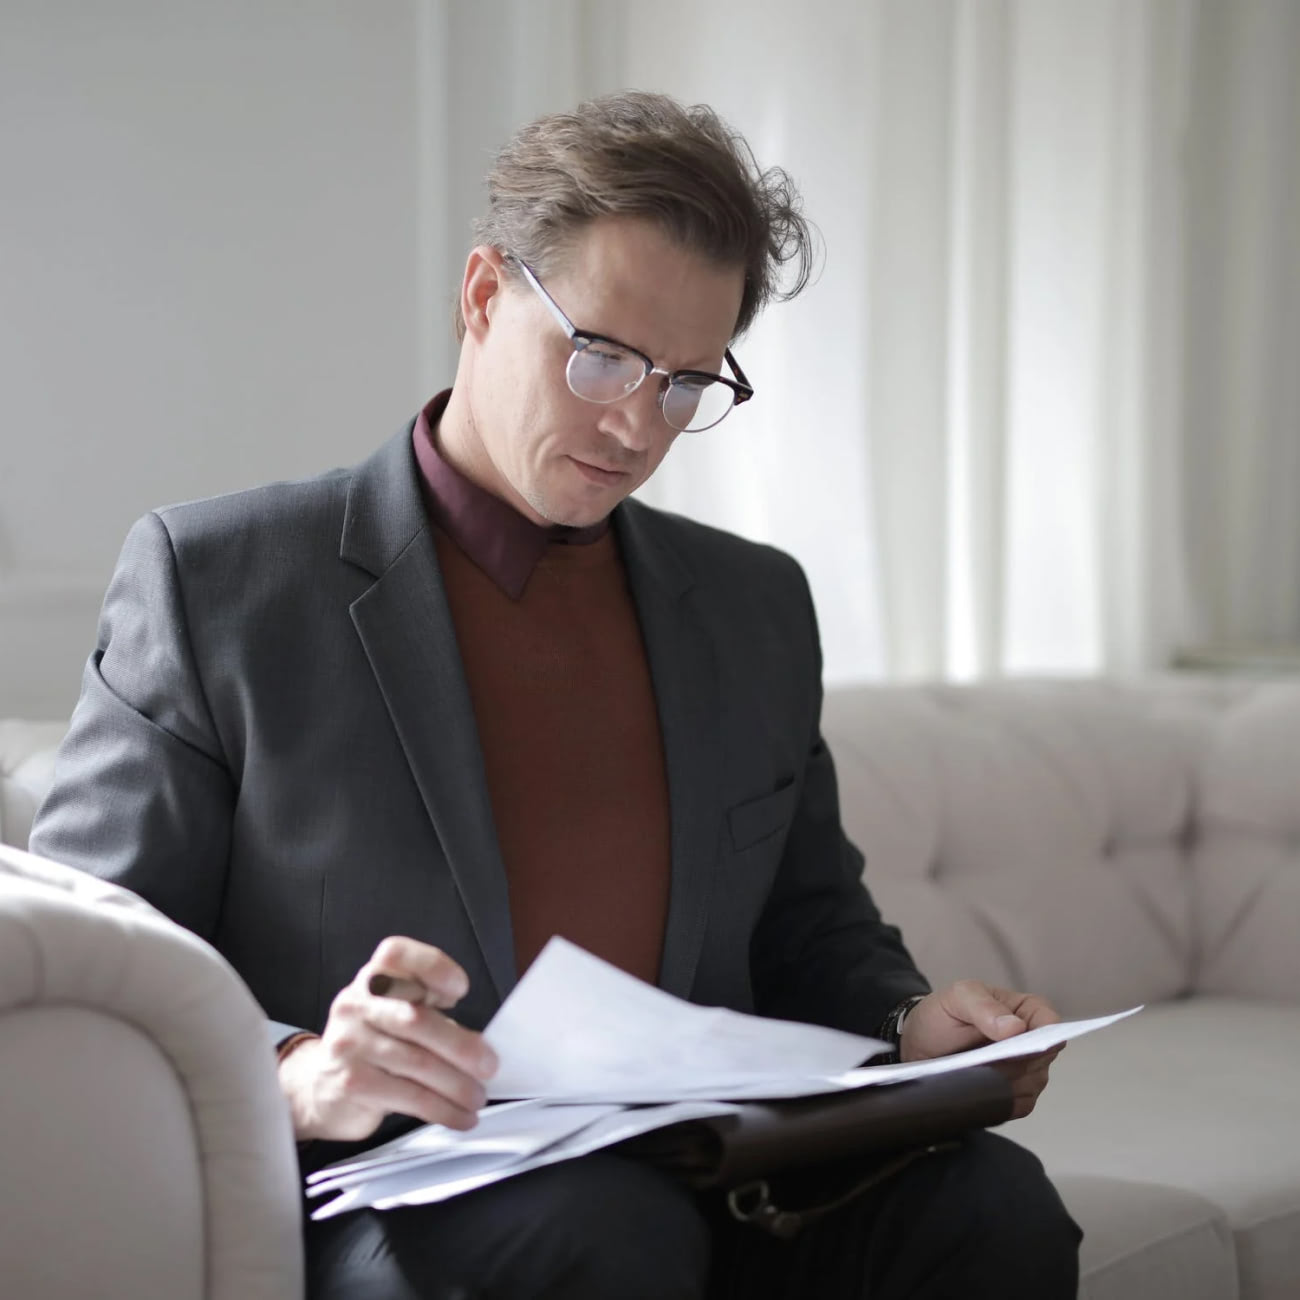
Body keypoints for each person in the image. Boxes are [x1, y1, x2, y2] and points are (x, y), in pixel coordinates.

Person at [31, 91, 1080, 1298]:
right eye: (602, 356)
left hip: (708, 1164)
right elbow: (92, 975)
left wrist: (911, 1030)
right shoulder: (219, 583)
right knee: (599, 1233)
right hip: (395, 1186)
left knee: (991, 1205)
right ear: (484, 296)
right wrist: (303, 1071)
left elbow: (807, 927)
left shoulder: (752, 605)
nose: (635, 424)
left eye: (685, 383)